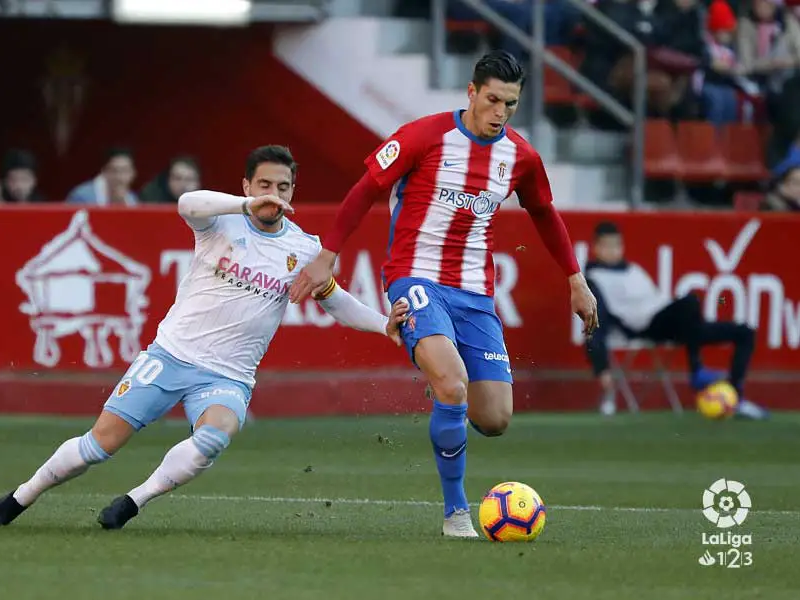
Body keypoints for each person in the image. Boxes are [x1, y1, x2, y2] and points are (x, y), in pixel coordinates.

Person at [0, 145, 410, 529]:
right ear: (246, 184)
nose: (273, 194)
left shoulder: (306, 250)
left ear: (293, 191)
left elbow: (333, 299)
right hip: (171, 355)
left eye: (283, 186)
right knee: (99, 445)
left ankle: (133, 501)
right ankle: (21, 497)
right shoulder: (220, 222)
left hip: (228, 376)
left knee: (214, 437)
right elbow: (187, 202)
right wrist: (243, 204)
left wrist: (380, 324)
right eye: (264, 184)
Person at [289, 52, 598, 538]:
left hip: (476, 295)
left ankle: (444, 399)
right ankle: (456, 513)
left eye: (511, 104)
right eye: (493, 99)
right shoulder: (423, 135)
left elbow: (544, 212)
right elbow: (365, 189)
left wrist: (575, 279)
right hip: (414, 279)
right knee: (452, 383)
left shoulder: (520, 156)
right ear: (472, 93)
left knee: (494, 419)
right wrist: (328, 253)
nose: (500, 112)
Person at [584, 221, 769, 420]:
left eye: (617, 245)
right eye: (607, 246)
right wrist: (601, 367)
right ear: (596, 248)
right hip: (647, 327)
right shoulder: (593, 279)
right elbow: (594, 321)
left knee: (745, 332)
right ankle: (696, 369)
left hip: (675, 324)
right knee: (690, 301)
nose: (613, 251)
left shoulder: (634, 270)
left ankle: (736, 399)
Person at [66, 147, 139, 206]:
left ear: (133, 173)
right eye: (114, 171)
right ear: (104, 172)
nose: (119, 177)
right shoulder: (82, 196)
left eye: (125, 171)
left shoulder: (132, 199)